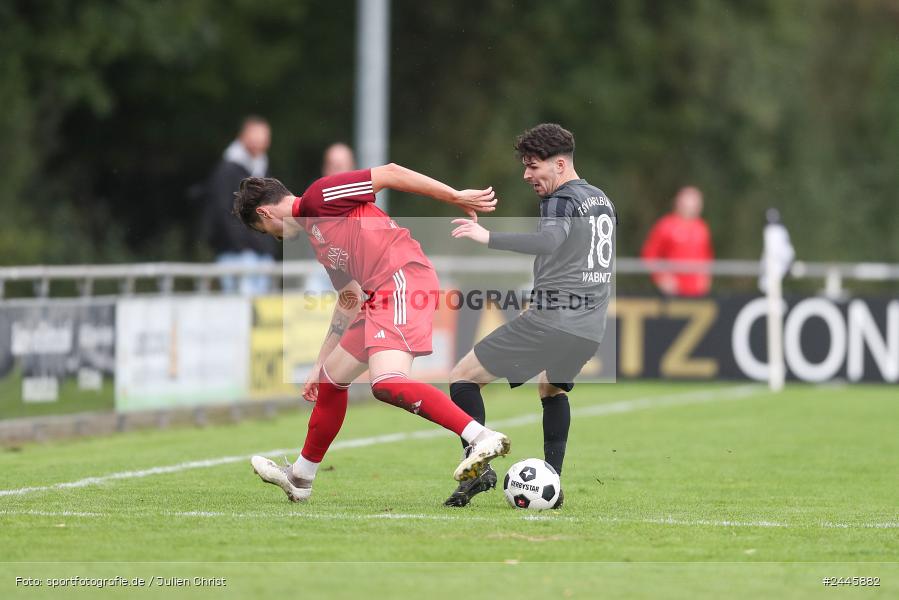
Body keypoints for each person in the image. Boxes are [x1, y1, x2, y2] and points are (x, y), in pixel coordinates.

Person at [232, 164, 511, 502]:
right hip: (377, 295)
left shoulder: (321, 195)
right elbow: (349, 299)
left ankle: (480, 437)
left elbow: (390, 173)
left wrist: (452, 195)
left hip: (402, 278)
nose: (273, 238)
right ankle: (301, 477)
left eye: (264, 230)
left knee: (387, 382)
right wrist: (320, 361)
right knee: (331, 379)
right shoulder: (317, 240)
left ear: (264, 212)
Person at [444, 123, 617, 508]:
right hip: (589, 327)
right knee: (550, 388)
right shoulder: (601, 199)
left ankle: (479, 465)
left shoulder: (561, 199)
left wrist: (487, 237)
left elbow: (549, 241)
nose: (527, 175)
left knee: (462, 378)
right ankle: (552, 481)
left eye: (533, 166)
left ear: (558, 164)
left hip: (553, 320)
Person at [204, 116, 278, 295]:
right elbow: (223, 212)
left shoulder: (261, 170)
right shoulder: (227, 170)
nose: (261, 141)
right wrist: (242, 246)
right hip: (236, 254)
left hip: (261, 255)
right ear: (244, 136)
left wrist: (267, 246)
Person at [640, 186, 714, 296]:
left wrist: (706, 278)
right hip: (673, 292)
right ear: (678, 203)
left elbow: (707, 256)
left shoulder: (702, 228)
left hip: (697, 293)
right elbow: (649, 255)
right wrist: (661, 278)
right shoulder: (665, 225)